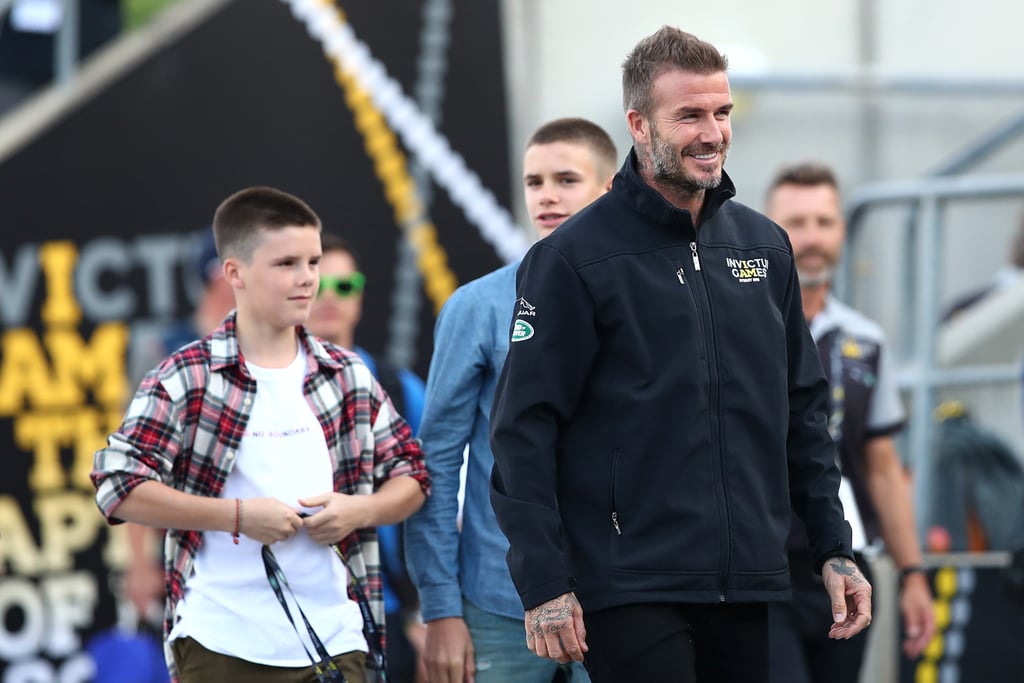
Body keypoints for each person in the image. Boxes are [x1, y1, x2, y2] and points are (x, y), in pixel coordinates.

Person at [488, 27, 872, 683]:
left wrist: (834, 547)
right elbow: (524, 428)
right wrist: (544, 581)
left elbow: (803, 412)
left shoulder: (764, 246)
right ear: (640, 123)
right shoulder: (572, 260)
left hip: (750, 578)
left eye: (721, 112)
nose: (712, 132)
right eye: (689, 114)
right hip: (630, 582)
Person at [91, 186, 429, 682]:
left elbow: (414, 475)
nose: (308, 279)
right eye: (286, 263)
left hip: (343, 641)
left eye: (313, 261)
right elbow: (115, 487)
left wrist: (360, 511)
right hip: (224, 646)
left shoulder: (348, 373)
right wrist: (238, 516)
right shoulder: (186, 376)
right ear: (235, 273)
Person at [404, 117, 616, 683]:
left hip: (624, 597)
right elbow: (437, 464)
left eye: (566, 179)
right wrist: (442, 610)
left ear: (611, 187)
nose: (545, 195)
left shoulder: (650, 299)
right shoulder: (477, 306)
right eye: (533, 181)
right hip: (499, 604)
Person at [763, 161, 935, 682]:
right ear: (766, 229)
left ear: (842, 229)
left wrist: (912, 574)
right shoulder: (738, 328)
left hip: (847, 565)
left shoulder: (867, 340)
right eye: (796, 222)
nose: (812, 238)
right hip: (761, 567)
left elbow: (883, 468)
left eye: (825, 221)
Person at [306, 231, 428, 683]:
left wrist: (429, 613)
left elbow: (437, 497)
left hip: (385, 606)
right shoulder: (257, 386)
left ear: (359, 294)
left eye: (344, 286)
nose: (329, 299)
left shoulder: (398, 389)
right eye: (318, 286)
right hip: (285, 609)